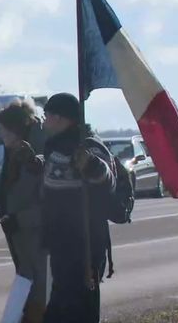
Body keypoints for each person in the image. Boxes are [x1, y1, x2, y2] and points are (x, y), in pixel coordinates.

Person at [41, 93, 115, 323]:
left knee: (78, 309)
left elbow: (108, 182)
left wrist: (91, 165)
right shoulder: (55, 148)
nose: (44, 122)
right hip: (61, 243)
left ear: (62, 118)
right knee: (66, 307)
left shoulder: (89, 146)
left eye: (48, 116)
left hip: (85, 245)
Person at [0, 99, 48, 323]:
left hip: (39, 243)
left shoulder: (34, 158)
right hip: (22, 242)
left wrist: (19, 220)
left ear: (16, 130)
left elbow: (49, 204)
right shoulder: (12, 156)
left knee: (39, 300)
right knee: (28, 300)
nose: (1, 134)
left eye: (3, 129)